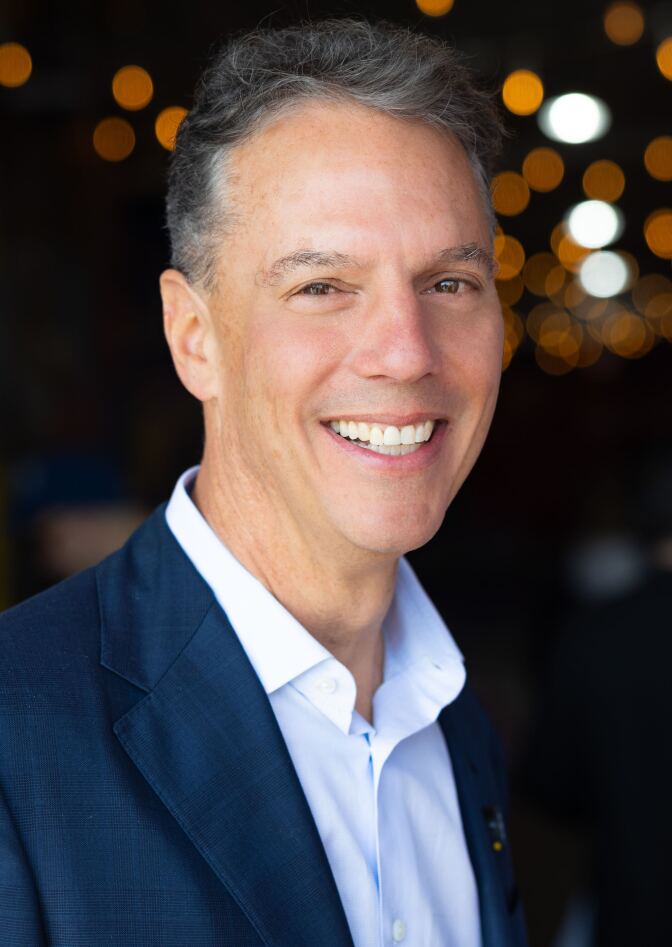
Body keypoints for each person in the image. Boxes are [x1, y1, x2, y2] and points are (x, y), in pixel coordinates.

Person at [0, 20, 527, 947]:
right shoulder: (18, 736)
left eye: (450, 282)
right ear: (193, 335)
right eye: (322, 285)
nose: (406, 353)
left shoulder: (456, 723)